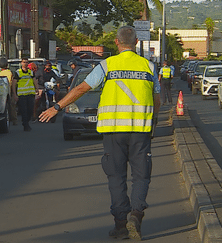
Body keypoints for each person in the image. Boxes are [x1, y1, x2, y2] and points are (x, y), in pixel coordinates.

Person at [39, 26, 161, 240]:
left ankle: (121, 226)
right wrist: (153, 122)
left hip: (113, 132)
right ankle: (136, 215)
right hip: (140, 131)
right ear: (137, 43)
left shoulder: (107, 65)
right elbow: (157, 100)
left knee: (116, 177)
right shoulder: (148, 66)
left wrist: (56, 107)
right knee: (142, 176)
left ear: (116, 42)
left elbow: (80, 89)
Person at [12, 57, 39, 131]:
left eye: (27, 62)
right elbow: (14, 84)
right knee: (24, 110)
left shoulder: (31, 72)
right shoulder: (18, 73)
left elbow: (34, 81)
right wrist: (14, 94)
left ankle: (26, 122)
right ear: (21, 63)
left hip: (30, 94)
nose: (25, 63)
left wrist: (37, 89)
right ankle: (26, 125)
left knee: (30, 110)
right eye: (24, 62)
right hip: (22, 95)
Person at [0, 57, 18, 125]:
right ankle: (14, 120)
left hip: (2, 92)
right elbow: (10, 83)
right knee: (12, 107)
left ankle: (9, 120)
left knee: (7, 107)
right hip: (9, 92)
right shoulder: (9, 72)